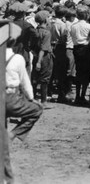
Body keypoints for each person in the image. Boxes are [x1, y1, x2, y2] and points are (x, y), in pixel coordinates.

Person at [3, 20, 43, 183]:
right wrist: (33, 99)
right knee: (36, 111)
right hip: (11, 98)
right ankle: (14, 134)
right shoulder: (17, 58)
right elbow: (25, 82)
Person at [70, 6, 90, 105]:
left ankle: (77, 96)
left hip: (76, 48)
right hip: (86, 49)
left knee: (78, 72)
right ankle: (82, 95)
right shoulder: (89, 26)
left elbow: (72, 36)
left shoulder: (73, 26)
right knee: (86, 73)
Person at [32, 10, 54, 108]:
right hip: (44, 57)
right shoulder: (46, 33)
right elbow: (43, 49)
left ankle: (33, 99)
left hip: (35, 55)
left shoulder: (34, 31)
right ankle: (43, 101)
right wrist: (39, 62)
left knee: (35, 78)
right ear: (45, 19)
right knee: (45, 79)